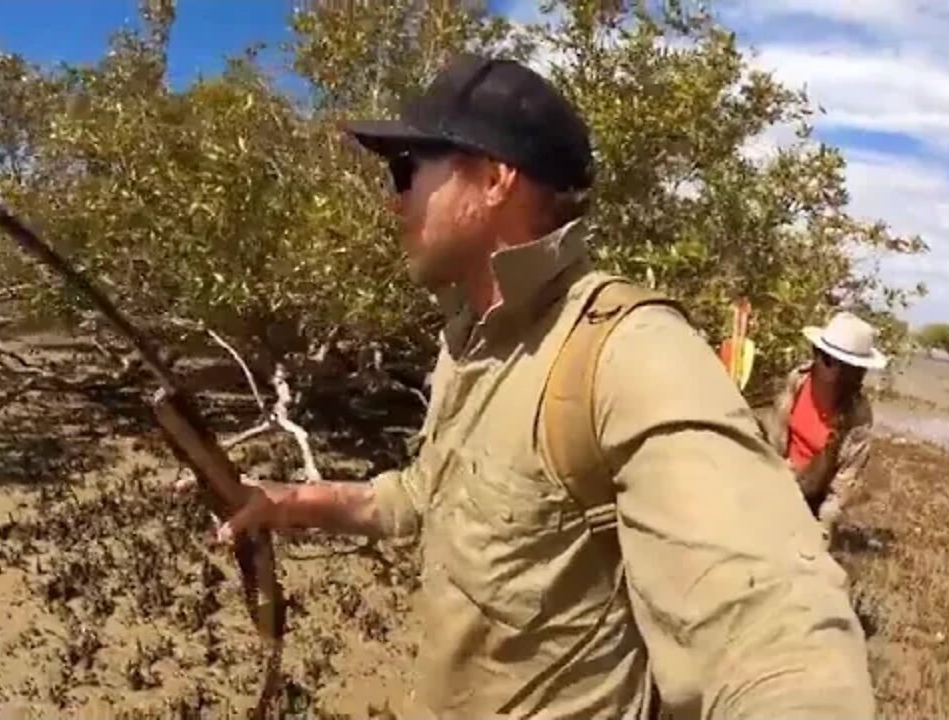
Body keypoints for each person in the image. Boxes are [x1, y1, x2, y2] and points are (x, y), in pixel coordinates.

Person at [189, 55, 875, 719]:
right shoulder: (469, 335)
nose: (393, 197)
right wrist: (282, 502)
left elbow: (772, 620)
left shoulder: (627, 351)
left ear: (493, 179)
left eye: (406, 170)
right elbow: (422, 497)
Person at [754, 311, 885, 545]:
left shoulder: (858, 417)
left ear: (850, 370)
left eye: (827, 359)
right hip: (772, 474)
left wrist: (822, 533)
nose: (818, 362)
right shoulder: (798, 379)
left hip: (807, 494)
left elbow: (842, 486)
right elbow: (775, 431)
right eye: (818, 353)